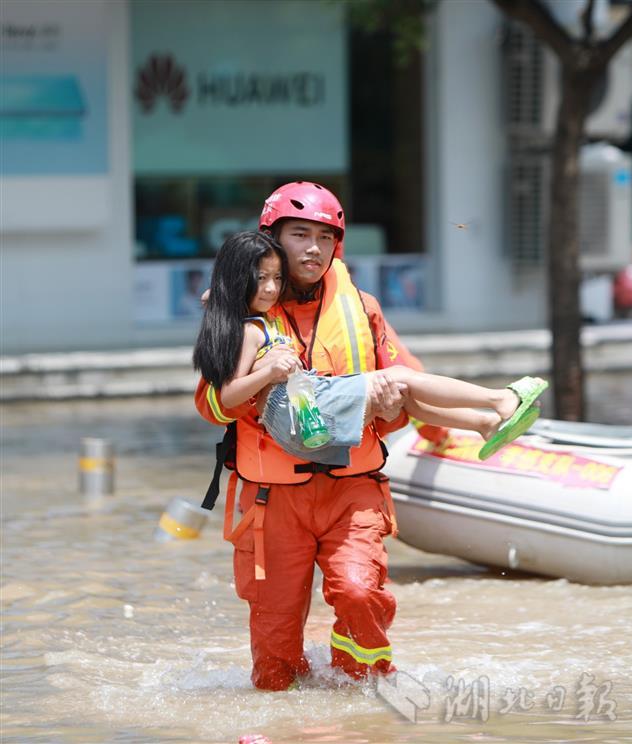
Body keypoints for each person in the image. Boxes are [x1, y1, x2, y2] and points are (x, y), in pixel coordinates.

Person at [192, 181, 517, 691]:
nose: (313, 249)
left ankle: (363, 701)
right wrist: (262, 387)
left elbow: (402, 392)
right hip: (272, 501)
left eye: (325, 237)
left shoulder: (361, 308)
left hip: (353, 488)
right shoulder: (243, 310)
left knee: (362, 594)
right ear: (271, 240)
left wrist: (397, 416)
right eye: (299, 235)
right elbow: (211, 404)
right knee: (273, 659)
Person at [193, 230, 547, 467]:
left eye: (277, 278)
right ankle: (498, 399)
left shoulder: (270, 316)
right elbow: (226, 397)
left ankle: (482, 422)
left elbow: (223, 300)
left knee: (401, 388)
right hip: (299, 423)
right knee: (399, 376)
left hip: (308, 417)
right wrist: (269, 369)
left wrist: (217, 298)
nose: (271, 289)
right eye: (260, 279)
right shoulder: (249, 330)